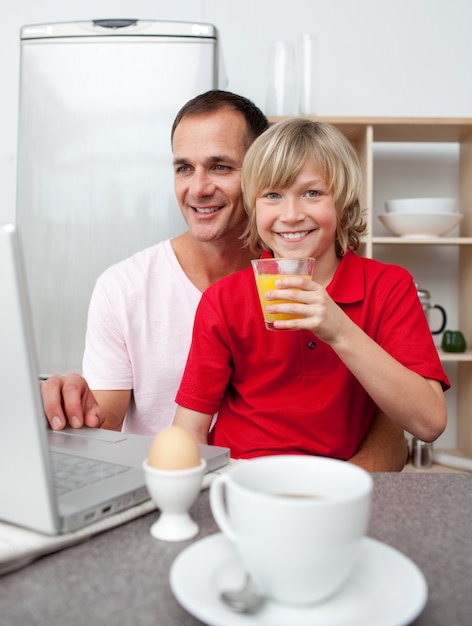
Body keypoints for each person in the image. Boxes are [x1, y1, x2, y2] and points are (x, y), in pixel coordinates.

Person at [41, 92, 409, 470]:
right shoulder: (123, 287)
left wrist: (316, 499)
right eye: (184, 168)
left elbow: (398, 430)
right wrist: (70, 408)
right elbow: (107, 422)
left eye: (220, 167)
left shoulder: (329, 280)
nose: (198, 188)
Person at [173, 118, 449, 461]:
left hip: (338, 486)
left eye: (312, 193)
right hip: (243, 480)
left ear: (342, 200)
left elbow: (430, 423)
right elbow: (190, 428)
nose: (290, 215)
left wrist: (339, 330)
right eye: (272, 195)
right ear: (253, 206)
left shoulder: (389, 286)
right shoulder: (223, 300)